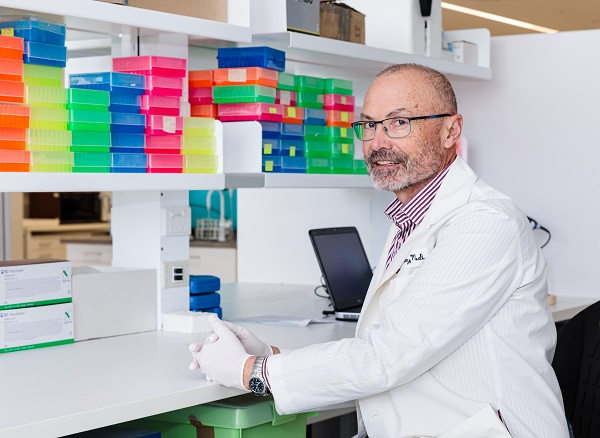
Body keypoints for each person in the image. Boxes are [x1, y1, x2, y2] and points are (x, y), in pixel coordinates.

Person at [188, 63, 569, 438]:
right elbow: (385, 343)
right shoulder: (410, 216)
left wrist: (252, 371)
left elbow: (389, 355)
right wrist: (272, 356)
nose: (378, 142)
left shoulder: (485, 223)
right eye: (369, 125)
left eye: (399, 122)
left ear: (451, 130)